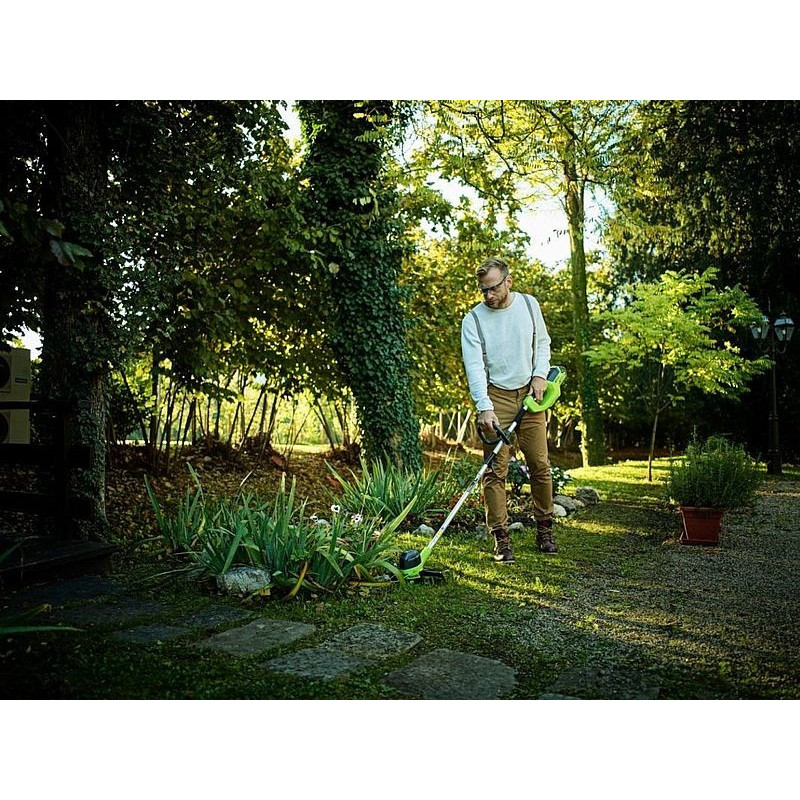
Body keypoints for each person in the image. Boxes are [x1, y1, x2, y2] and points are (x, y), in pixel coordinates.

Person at [460, 256, 557, 563]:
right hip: (495, 398)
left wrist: (540, 375)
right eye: (483, 290)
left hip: (530, 395)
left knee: (539, 465)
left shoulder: (529, 305)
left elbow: (542, 343)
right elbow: (474, 368)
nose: (488, 295)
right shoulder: (473, 320)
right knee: (495, 471)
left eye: (493, 288)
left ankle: (545, 530)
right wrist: (484, 408)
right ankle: (501, 539)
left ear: (508, 281)